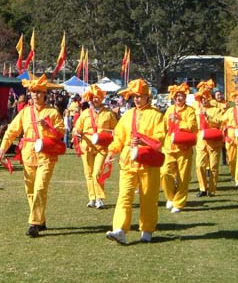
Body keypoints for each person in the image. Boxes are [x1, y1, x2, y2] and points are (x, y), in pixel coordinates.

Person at [0, 75, 65, 238]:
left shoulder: (52, 112)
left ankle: (34, 223)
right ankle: (41, 219)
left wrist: (47, 127)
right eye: (33, 92)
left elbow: (61, 133)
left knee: (40, 187)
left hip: (46, 155)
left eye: (39, 92)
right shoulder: (25, 112)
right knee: (30, 190)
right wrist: (3, 147)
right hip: (28, 154)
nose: (36, 95)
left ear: (45, 94)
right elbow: (12, 130)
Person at [105, 79, 165, 244]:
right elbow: (119, 137)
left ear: (147, 97)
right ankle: (120, 230)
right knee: (124, 195)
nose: (137, 99)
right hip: (128, 161)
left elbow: (160, 138)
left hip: (148, 161)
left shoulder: (156, 115)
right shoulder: (127, 115)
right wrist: (111, 151)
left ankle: (147, 230)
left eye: (140, 96)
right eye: (135, 96)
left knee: (148, 197)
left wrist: (143, 140)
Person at [73, 84, 118, 209]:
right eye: (93, 97)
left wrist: (113, 133)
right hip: (87, 146)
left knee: (97, 172)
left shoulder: (109, 114)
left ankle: (99, 198)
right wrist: (76, 132)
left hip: (102, 148)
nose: (95, 99)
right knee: (88, 173)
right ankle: (92, 198)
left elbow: (116, 129)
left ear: (102, 98)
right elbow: (77, 127)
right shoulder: (85, 113)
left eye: (97, 97)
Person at [160, 83, 198, 213]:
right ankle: (170, 196)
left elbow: (193, 127)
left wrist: (179, 122)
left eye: (181, 95)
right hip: (169, 147)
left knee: (183, 177)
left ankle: (179, 203)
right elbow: (164, 127)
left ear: (185, 97)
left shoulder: (190, 111)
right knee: (164, 172)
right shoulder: (170, 109)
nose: (178, 98)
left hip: (184, 148)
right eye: (176, 96)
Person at [194, 84, 224, 197]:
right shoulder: (197, 111)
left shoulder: (216, 110)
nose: (204, 100)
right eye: (202, 99)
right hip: (201, 142)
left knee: (213, 167)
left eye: (206, 98)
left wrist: (208, 117)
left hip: (214, 142)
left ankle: (212, 190)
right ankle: (202, 188)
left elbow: (220, 122)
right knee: (199, 166)